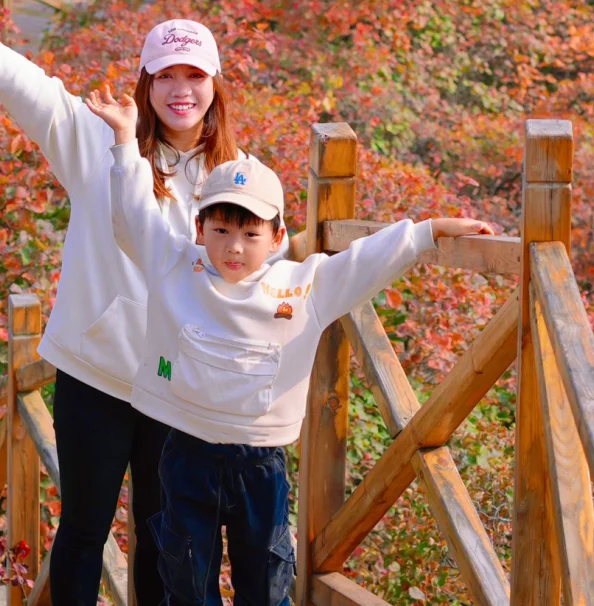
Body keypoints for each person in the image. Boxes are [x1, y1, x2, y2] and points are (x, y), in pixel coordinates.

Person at [0, 0, 253, 606]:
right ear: (145, 83)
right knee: (84, 527)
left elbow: (272, 264)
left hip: (178, 381)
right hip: (96, 372)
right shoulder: (98, 141)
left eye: (193, 75)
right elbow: (30, 88)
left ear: (214, 86)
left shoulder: (238, 177)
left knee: (162, 529)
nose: (179, 89)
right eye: (165, 74)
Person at [85, 83, 494, 606]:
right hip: (185, 452)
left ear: (277, 238)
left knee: (267, 581)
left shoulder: (303, 286)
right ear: (199, 227)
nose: (233, 246)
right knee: (185, 577)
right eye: (221, 229)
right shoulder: (175, 264)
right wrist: (124, 139)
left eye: (251, 234)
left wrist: (428, 231)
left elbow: (365, 262)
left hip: (260, 461)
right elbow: (135, 214)